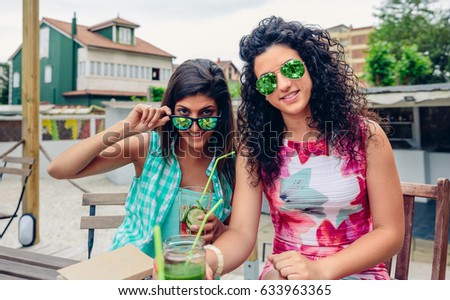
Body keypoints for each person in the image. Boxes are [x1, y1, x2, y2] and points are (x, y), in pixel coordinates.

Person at [205, 16, 404, 280]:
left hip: (359, 273)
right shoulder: (254, 148)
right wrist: (205, 261)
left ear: (311, 67)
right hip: (284, 275)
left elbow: (390, 232)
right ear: (260, 93)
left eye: (291, 69)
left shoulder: (366, 136)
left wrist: (320, 270)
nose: (284, 85)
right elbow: (241, 233)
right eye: (268, 81)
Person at [48, 58, 235, 257]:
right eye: (183, 113)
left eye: (207, 113)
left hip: (191, 275)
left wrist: (220, 231)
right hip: (133, 272)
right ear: (170, 110)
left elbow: (236, 232)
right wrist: (125, 128)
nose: (195, 127)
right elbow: (58, 169)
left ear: (221, 114)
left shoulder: (230, 164)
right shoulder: (148, 148)